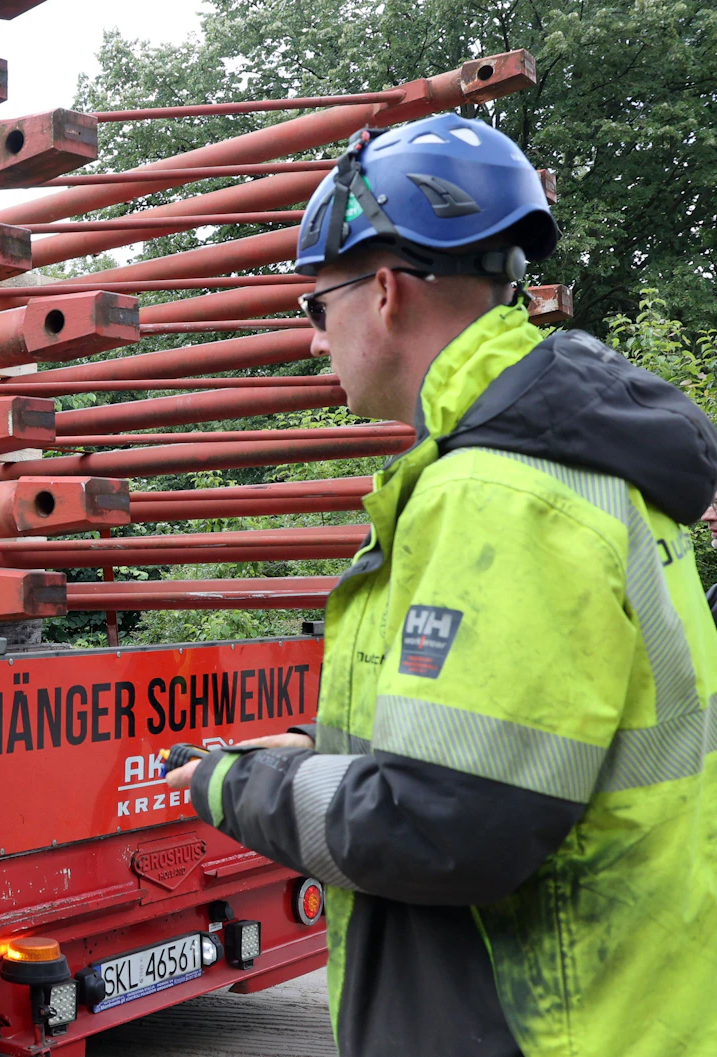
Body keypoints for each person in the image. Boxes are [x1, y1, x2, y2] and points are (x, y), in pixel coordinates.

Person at [165, 113, 717, 1057]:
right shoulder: (573, 462)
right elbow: (522, 729)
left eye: (315, 306)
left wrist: (240, 781)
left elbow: (444, 826)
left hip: (542, 1027)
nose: (312, 343)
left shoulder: (497, 494)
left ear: (382, 292)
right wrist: (320, 739)